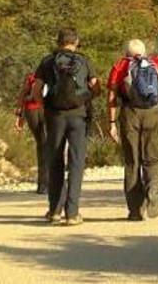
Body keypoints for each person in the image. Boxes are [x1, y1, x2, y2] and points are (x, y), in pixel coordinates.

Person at [31, 28, 100, 226]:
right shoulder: (84, 61)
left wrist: (45, 106)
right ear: (76, 42)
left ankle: (54, 211)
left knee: (55, 161)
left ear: (58, 41)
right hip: (78, 116)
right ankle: (72, 212)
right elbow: (95, 87)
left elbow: (36, 89)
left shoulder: (47, 61)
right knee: (76, 163)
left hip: (54, 116)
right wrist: (85, 99)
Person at [106, 39, 158, 221]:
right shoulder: (157, 63)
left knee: (132, 162)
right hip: (154, 114)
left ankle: (135, 211)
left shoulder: (120, 65)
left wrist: (112, 122)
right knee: (153, 159)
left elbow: (112, 95)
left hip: (130, 114)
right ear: (144, 51)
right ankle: (153, 195)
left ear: (127, 52)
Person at [14, 72, 48, 194]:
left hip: (31, 110)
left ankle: (42, 184)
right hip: (46, 110)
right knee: (47, 144)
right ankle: (47, 183)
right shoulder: (53, 73)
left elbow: (23, 94)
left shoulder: (31, 76)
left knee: (41, 145)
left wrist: (19, 116)